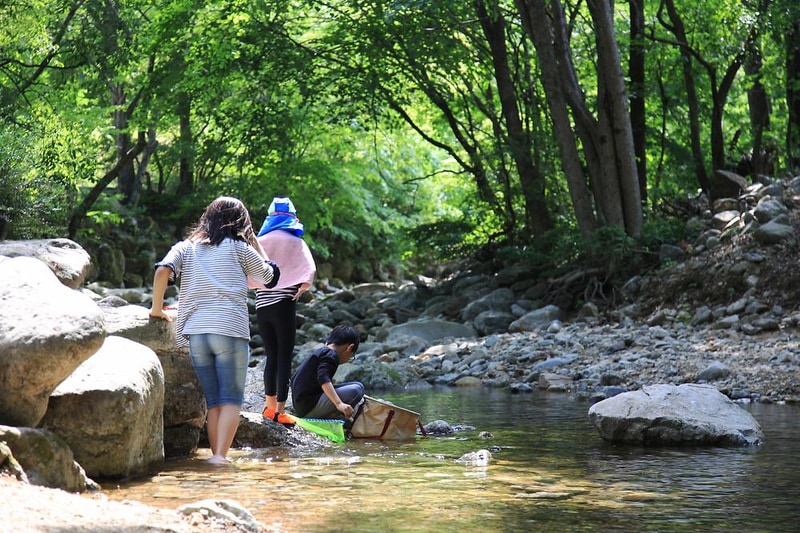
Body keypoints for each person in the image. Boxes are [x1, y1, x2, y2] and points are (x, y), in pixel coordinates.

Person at [150, 196, 280, 465]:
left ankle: (215, 457)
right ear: (241, 224)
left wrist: (156, 309)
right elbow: (270, 277)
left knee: (214, 402)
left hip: (197, 332)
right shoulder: (239, 248)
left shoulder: (187, 247)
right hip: (229, 329)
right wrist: (254, 241)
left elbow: (163, 270)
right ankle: (220, 457)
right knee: (231, 399)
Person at [250, 196, 316, 426]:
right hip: (284, 304)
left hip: (262, 306)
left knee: (271, 356)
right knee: (285, 357)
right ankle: (281, 410)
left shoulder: (261, 241)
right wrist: (302, 287)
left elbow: (248, 270)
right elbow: (310, 269)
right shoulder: (296, 241)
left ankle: (268, 408)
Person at [290, 324, 364, 420]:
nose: (349, 358)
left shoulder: (322, 352)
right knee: (356, 390)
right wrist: (339, 404)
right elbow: (323, 378)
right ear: (349, 348)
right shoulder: (331, 355)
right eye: (351, 356)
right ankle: (335, 417)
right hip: (308, 408)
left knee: (358, 385)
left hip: (302, 404)